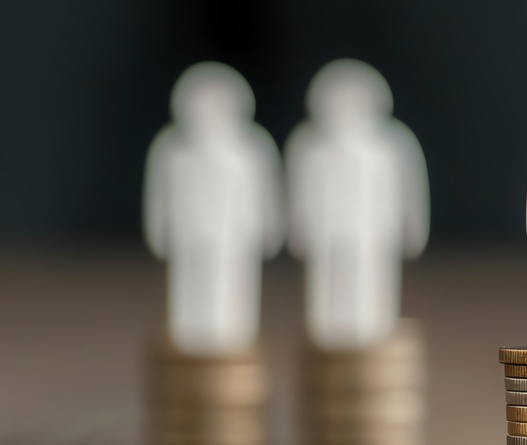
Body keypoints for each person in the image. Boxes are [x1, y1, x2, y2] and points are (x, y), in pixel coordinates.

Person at [285, 60, 429, 349]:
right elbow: (301, 195)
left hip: (371, 231)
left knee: (369, 284)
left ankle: (369, 325)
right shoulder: (311, 152)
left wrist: (411, 228)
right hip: (326, 231)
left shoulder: (387, 150)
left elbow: (408, 191)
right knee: (327, 286)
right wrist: (298, 228)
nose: (345, 112)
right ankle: (328, 327)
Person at [143, 62, 284, 354]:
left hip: (234, 231)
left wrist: (269, 228)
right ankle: (190, 331)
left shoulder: (250, 150)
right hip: (188, 229)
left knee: (232, 282)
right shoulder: (172, 151)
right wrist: (158, 229)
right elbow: (159, 195)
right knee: (188, 283)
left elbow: (265, 193)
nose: (207, 115)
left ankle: (233, 330)